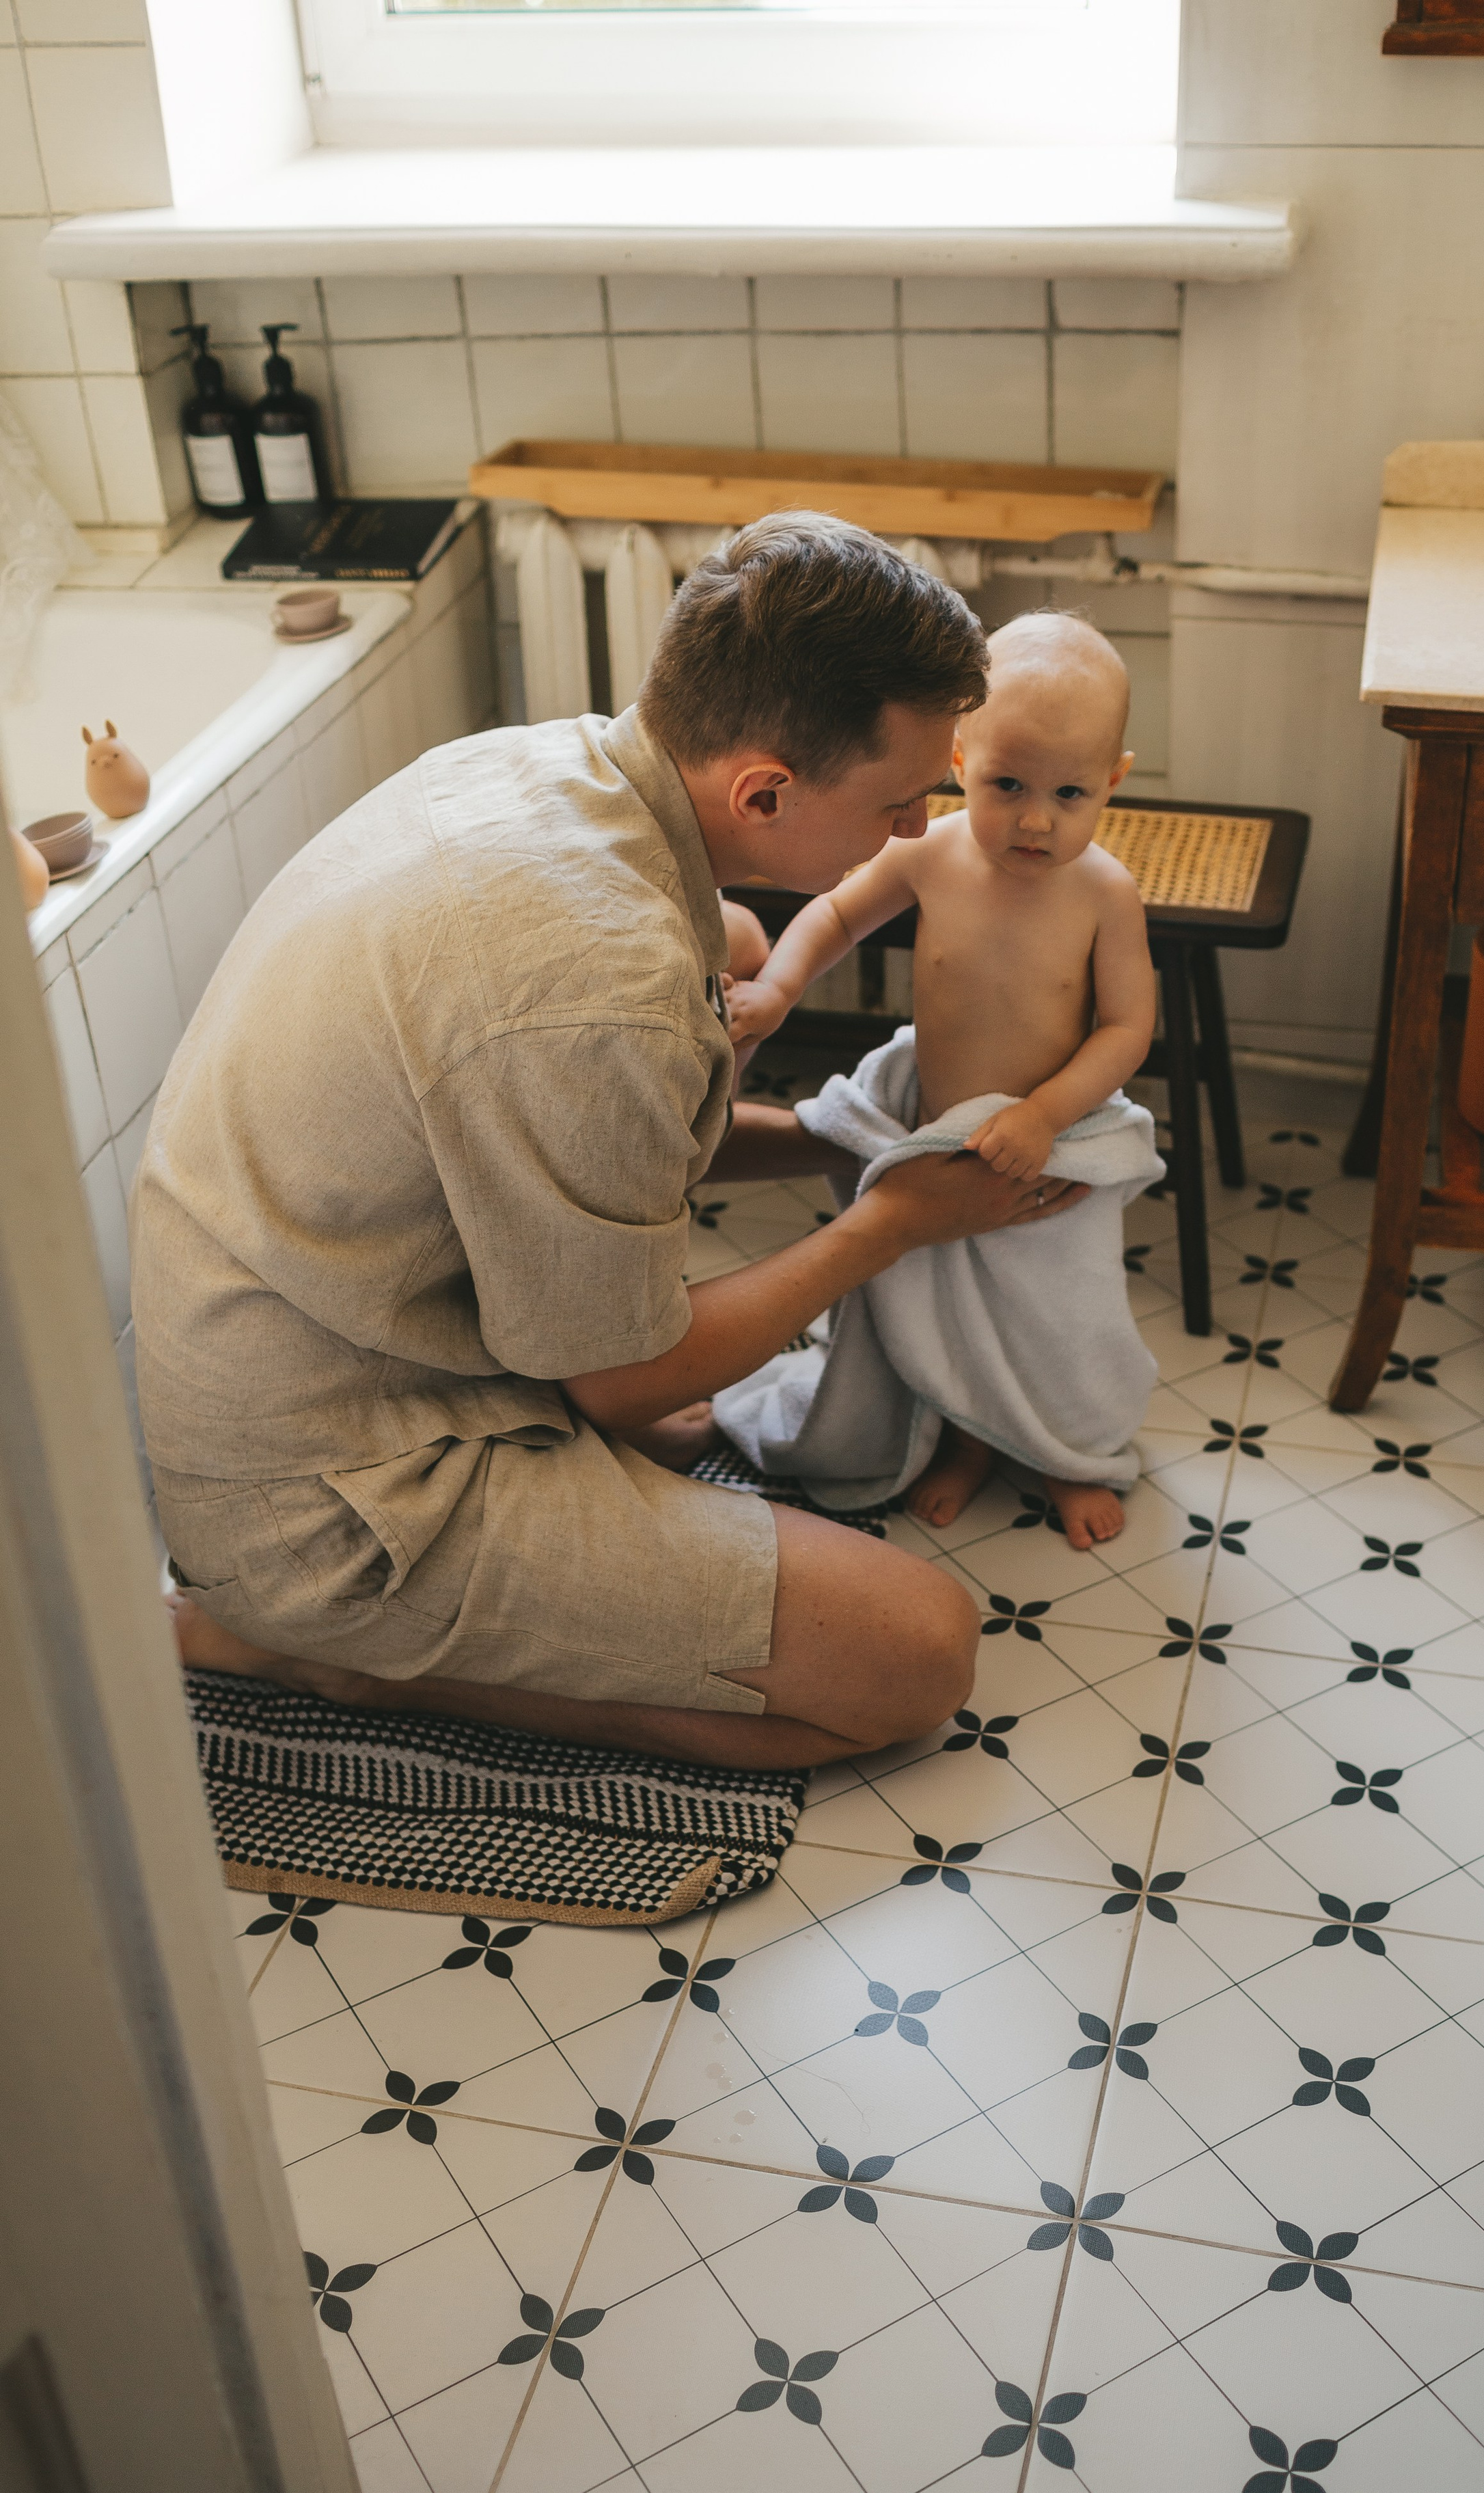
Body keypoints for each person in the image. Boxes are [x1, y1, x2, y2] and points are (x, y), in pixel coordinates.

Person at [132, 515, 1088, 1775]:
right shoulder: (603, 988)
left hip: (320, 1338)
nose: (920, 830)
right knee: (916, 1655)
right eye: (902, 797)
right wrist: (892, 1221)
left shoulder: (554, 768)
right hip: (326, 1500)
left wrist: (833, 1140)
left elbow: (599, 1149)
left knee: (734, 957)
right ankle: (327, 1655)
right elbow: (627, 1381)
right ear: (764, 791)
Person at [721, 612, 1157, 1549]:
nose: (1036, 819)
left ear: (1114, 782)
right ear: (960, 757)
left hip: (1053, 1140)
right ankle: (965, 1439)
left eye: (1070, 793)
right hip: (938, 1132)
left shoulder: (1102, 893)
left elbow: (1128, 1028)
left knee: (1049, 1315)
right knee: (948, 1302)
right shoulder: (933, 854)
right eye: (1008, 784)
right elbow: (836, 915)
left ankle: (1065, 1451)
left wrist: (1044, 1116)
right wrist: (779, 987)